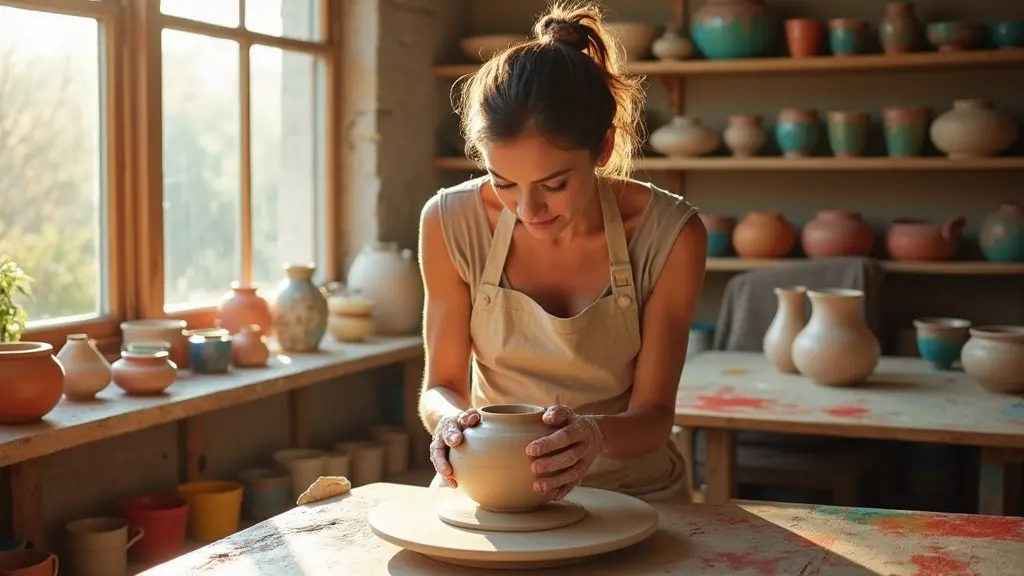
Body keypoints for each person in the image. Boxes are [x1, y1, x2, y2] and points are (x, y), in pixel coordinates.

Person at [416, 1, 707, 503]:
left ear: (604, 148)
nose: (528, 209)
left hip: (630, 489)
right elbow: (439, 384)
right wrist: (447, 423)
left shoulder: (670, 234)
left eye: (553, 184)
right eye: (503, 182)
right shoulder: (449, 221)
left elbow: (656, 415)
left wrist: (594, 435)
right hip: (492, 484)